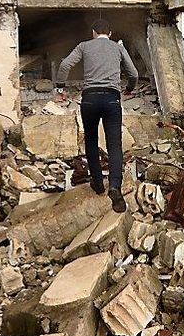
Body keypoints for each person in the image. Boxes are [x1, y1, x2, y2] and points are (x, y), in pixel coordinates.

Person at [55, 19, 138, 212]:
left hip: (90, 99)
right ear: (109, 34)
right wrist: (128, 89)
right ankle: (115, 186)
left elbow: (65, 65)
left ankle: (98, 183)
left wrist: (60, 86)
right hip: (111, 99)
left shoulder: (84, 46)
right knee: (114, 144)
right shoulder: (117, 48)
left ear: (93, 32)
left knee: (91, 141)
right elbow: (133, 72)